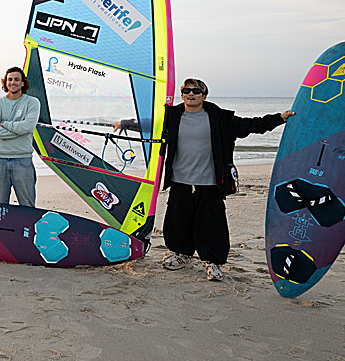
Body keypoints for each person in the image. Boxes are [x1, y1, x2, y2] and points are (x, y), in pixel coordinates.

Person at [112, 78, 293, 281]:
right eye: (187, 90)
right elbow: (150, 124)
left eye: (196, 91)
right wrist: (124, 124)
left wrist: (280, 118)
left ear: (204, 95)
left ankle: (212, 262)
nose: (191, 94)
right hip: (180, 180)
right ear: (182, 95)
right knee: (178, 220)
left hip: (209, 182)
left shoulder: (220, 118)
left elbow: (251, 125)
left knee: (212, 224)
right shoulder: (172, 116)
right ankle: (182, 255)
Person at [0, 67, 40, 207]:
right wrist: (19, 130)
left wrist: (4, 124)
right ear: (5, 82)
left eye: (17, 79)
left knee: (27, 206)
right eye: (10, 79)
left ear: (23, 83)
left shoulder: (32, 102)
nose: (13, 82)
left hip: (23, 160)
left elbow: (27, 127)